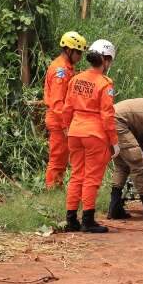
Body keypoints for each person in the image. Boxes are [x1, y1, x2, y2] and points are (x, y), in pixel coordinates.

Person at [62, 39, 119, 233]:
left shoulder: (76, 79)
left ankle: (71, 219)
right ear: (107, 60)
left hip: (75, 131)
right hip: (95, 134)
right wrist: (114, 141)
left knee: (77, 175)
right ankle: (87, 220)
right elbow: (107, 115)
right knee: (92, 178)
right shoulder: (105, 83)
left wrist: (67, 127)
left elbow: (67, 107)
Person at [43, 31, 87, 188]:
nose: (80, 56)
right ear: (69, 50)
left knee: (62, 157)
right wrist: (65, 125)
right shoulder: (60, 71)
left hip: (63, 119)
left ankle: (57, 185)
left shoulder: (67, 68)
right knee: (57, 157)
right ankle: (52, 188)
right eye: (78, 52)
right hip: (58, 120)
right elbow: (57, 103)